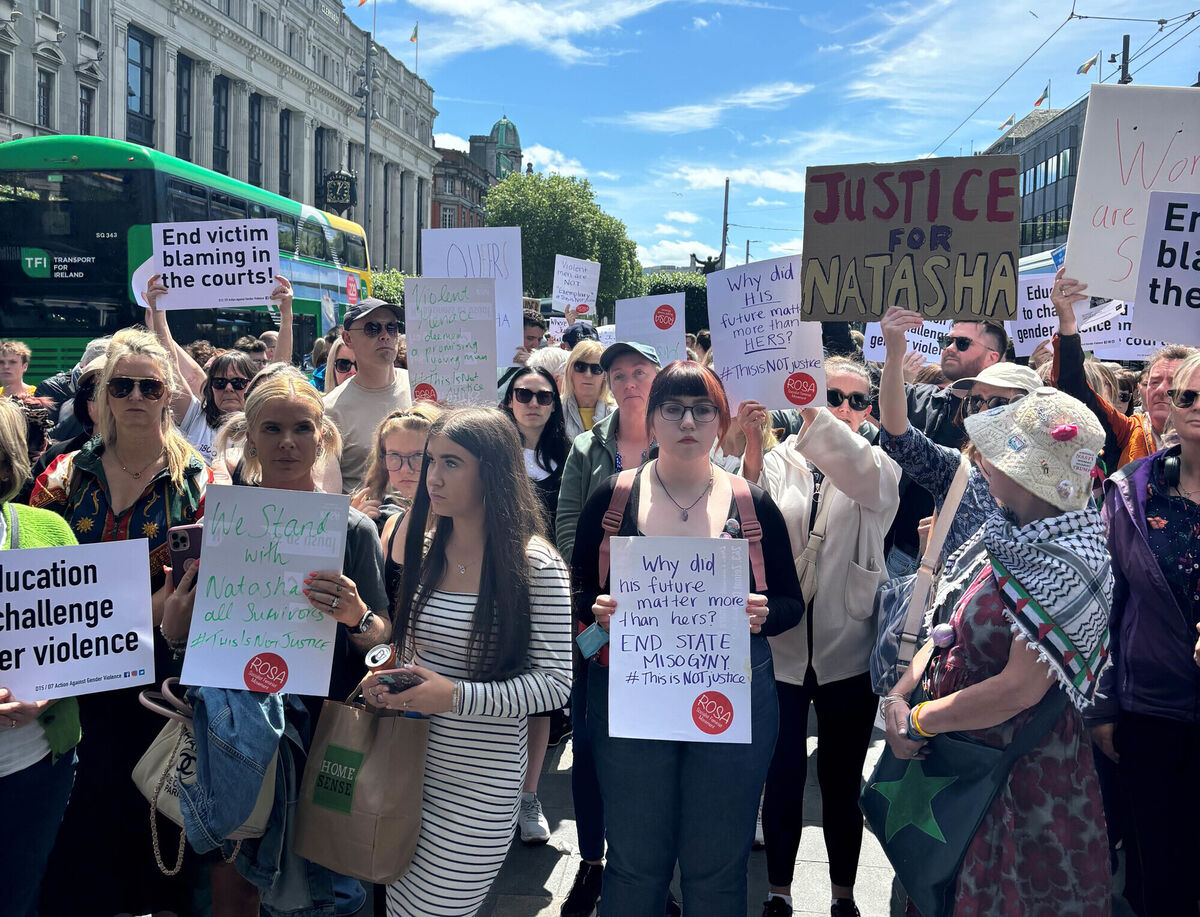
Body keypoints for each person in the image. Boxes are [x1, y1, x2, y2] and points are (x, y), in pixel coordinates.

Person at [571, 360, 804, 916]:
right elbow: (578, 589)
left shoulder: (752, 504)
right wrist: (596, 610)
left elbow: (791, 604)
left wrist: (763, 613)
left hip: (730, 698)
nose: (688, 421)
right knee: (634, 860)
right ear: (651, 420)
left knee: (718, 863)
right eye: (672, 408)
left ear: (721, 423)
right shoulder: (612, 499)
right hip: (633, 695)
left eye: (703, 410)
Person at [880, 387, 1112, 916]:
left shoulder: (1069, 557)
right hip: (957, 756)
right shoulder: (1005, 531)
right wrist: (899, 696)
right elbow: (947, 627)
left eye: (998, 449)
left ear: (1029, 473)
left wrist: (917, 721)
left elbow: (1018, 690)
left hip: (1016, 776)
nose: (980, 457)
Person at [362, 407, 572, 917]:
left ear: (492, 471)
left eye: (451, 463)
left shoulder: (535, 563)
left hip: (480, 785)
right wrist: (387, 682)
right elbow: (417, 654)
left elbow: (555, 685)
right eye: (431, 461)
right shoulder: (426, 548)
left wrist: (455, 696)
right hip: (406, 768)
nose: (431, 477)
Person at [32, 327, 211, 916]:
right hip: (71, 673)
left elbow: (201, 584)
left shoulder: (201, 483)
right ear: (102, 394)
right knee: (79, 813)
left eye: (149, 386)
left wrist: (125, 622)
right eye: (122, 385)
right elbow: (32, 580)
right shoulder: (61, 476)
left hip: (161, 675)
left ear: (169, 394)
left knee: (153, 808)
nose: (136, 396)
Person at [744, 357, 901, 917]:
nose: (843, 409)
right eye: (832, 395)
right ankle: (779, 892)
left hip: (849, 648)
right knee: (781, 775)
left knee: (840, 781)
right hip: (781, 649)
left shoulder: (879, 464)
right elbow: (745, 522)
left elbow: (857, 473)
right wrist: (752, 446)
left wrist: (812, 408)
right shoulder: (779, 459)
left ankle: (843, 896)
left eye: (858, 401)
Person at [1088, 352, 1200, 916]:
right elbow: (1109, 603)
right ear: (1169, 408)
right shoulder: (1132, 490)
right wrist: (1102, 703)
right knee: (1161, 874)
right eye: (1188, 397)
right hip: (1151, 710)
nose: (1198, 407)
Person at [555, 340, 660, 917]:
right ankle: (592, 862)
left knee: (652, 749)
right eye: (617, 375)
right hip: (597, 620)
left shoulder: (685, 438)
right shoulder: (587, 447)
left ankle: (644, 867)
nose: (628, 382)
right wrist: (600, 591)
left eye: (639, 371)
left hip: (667, 621)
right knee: (592, 744)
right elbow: (569, 526)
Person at [0, 399, 82, 917]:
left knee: (17, 899)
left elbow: (88, 641)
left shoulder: (49, 532)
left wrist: (48, 692)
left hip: (34, 768)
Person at [879, 307, 1034, 560]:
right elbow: (899, 437)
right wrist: (894, 355)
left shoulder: (1057, 478)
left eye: (997, 403)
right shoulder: (957, 471)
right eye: (975, 402)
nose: (982, 411)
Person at [1049, 269, 1197, 471]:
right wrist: (1067, 323)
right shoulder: (1127, 432)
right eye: (1154, 382)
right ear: (1142, 391)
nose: (1161, 390)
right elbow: (1073, 386)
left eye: (1173, 382)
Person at [324, 299, 412, 493]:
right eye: (372, 328)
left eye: (392, 328)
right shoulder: (330, 410)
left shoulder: (421, 388)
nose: (385, 335)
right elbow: (327, 491)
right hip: (366, 512)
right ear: (348, 339)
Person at [371, 405, 443, 599]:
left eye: (418, 456)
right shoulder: (391, 525)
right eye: (394, 456)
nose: (405, 469)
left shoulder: (461, 526)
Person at [502, 366, 569, 523]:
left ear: (553, 405)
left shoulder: (571, 456)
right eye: (523, 394)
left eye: (544, 397)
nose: (533, 404)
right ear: (510, 401)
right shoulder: (492, 453)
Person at [562, 340, 612, 441]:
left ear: (605, 375)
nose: (588, 374)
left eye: (596, 369)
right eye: (580, 367)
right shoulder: (555, 410)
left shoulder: (617, 414)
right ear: (570, 371)